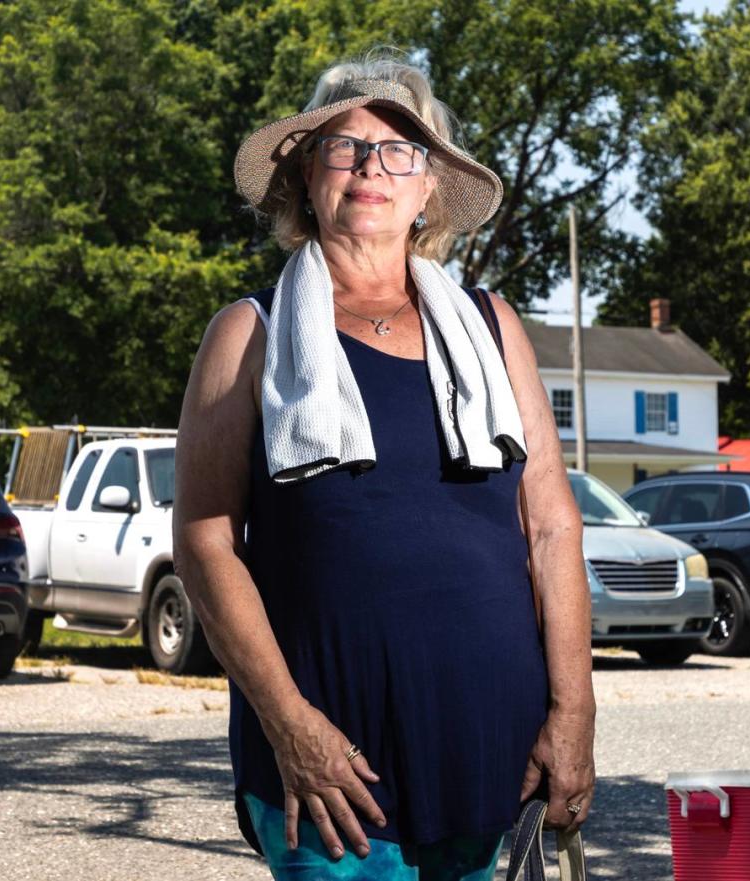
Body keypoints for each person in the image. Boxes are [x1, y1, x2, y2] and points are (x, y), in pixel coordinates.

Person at [173, 53, 596, 880]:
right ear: (302, 175)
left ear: (430, 184)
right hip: (334, 780)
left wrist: (574, 712)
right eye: (343, 146)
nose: (372, 166)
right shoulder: (248, 335)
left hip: (498, 759)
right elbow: (204, 544)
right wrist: (289, 725)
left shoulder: (492, 325)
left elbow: (551, 525)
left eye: (400, 148)